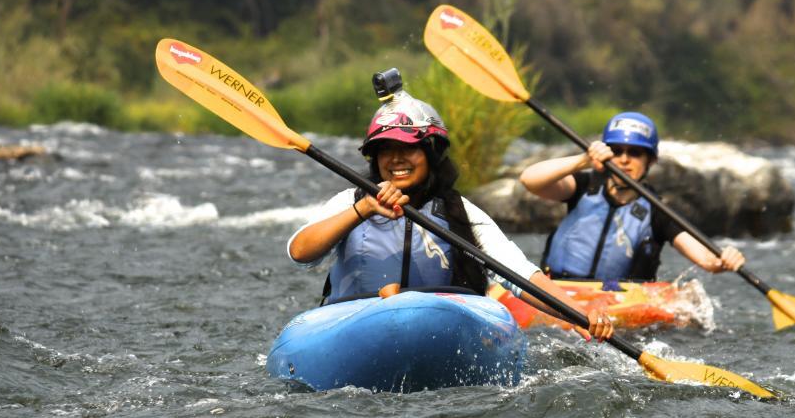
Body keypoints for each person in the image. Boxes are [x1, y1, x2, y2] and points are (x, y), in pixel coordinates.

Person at [286, 80, 614, 341]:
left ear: (431, 153)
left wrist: (580, 314)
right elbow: (300, 253)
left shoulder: (461, 212)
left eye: (409, 148)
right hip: (353, 326)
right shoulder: (350, 202)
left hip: (440, 330)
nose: (396, 159)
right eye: (385, 150)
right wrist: (363, 210)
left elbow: (521, 275)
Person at [519, 111, 746, 282]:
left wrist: (722, 260)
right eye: (616, 151)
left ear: (651, 161)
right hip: (561, 289)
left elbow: (705, 259)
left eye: (635, 153)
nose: (624, 159)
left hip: (618, 301)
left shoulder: (658, 211)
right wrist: (583, 160)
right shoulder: (584, 186)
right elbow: (530, 180)